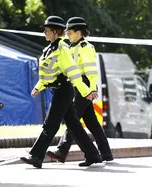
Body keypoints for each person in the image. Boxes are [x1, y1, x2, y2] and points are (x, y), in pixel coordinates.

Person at [20, 15, 102, 169]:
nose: (44, 32)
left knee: (51, 123)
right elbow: (47, 74)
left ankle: (36, 156)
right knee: (74, 126)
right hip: (56, 90)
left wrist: (87, 91)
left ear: (55, 32)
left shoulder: (62, 49)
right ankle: (93, 154)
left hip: (64, 90)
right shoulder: (48, 49)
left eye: (47, 30)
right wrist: (39, 86)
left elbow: (73, 73)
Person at [47, 16, 114, 163]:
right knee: (92, 123)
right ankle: (105, 154)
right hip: (77, 85)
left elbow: (91, 71)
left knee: (72, 119)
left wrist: (91, 89)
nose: (68, 35)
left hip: (85, 84)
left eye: (70, 32)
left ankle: (62, 149)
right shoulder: (71, 47)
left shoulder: (86, 48)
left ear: (79, 33)